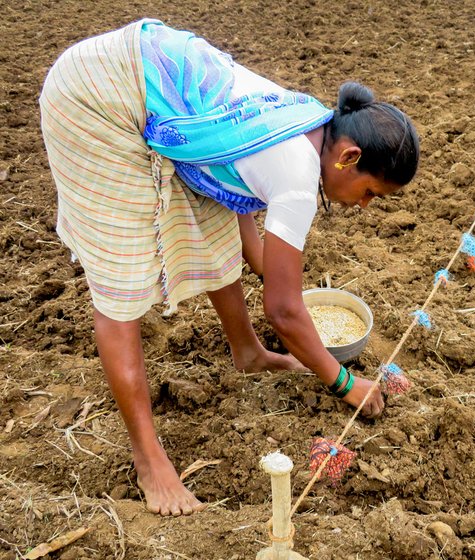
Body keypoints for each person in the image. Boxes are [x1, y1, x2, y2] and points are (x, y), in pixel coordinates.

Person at [39, 19, 419, 517]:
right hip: (95, 95)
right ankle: (149, 460)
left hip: (144, 70)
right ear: (349, 157)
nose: (365, 206)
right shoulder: (299, 175)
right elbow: (283, 310)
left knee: (210, 217)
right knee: (122, 275)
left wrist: (284, 284)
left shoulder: (308, 119)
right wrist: (344, 382)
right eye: (370, 193)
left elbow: (235, 200)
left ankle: (248, 351)